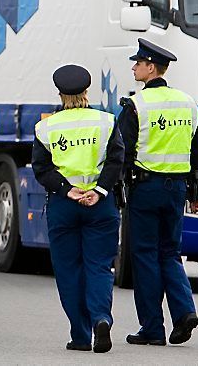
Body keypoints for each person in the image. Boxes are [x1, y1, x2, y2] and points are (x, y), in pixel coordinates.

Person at [118, 39, 198, 347]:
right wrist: (197, 192)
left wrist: (118, 190)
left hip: (145, 189)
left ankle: (152, 328)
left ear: (150, 67)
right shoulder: (188, 103)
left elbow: (122, 151)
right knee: (169, 253)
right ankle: (184, 312)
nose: (134, 67)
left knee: (143, 256)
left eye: (137, 63)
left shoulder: (137, 105)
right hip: (177, 190)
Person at [31, 64, 124, 353]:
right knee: (98, 266)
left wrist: (66, 189)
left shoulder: (46, 127)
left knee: (69, 270)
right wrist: (98, 190)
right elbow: (116, 160)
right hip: (100, 204)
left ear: (60, 94)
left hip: (64, 205)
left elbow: (41, 168)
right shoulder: (106, 121)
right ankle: (101, 318)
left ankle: (81, 336)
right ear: (86, 92)